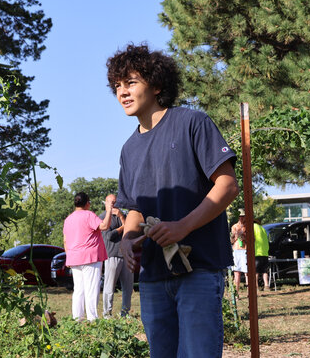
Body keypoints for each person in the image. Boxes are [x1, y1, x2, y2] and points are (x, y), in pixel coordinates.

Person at [109, 44, 239, 357]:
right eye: (117, 86)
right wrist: (128, 238)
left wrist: (182, 227)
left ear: (156, 85)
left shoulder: (193, 123)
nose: (122, 92)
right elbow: (135, 207)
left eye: (131, 83)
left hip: (199, 268)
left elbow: (228, 185)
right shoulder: (128, 149)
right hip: (153, 275)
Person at [62, 192, 112, 321]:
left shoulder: (68, 219)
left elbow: (66, 240)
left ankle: (77, 319)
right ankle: (92, 319)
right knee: (91, 289)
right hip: (90, 257)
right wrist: (109, 210)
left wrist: (68, 256)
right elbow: (105, 226)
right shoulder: (89, 215)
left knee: (78, 290)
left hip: (74, 258)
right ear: (87, 203)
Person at [99, 193, 133, 318]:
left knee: (128, 287)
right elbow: (109, 236)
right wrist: (122, 227)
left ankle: (125, 312)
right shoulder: (103, 217)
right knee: (109, 287)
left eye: (115, 202)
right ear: (106, 203)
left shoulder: (122, 216)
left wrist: (122, 218)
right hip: (112, 254)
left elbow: (130, 230)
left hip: (126, 255)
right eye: (111, 202)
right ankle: (107, 313)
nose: (114, 204)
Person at [230, 214, 248, 293]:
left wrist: (244, 237)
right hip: (236, 250)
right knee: (236, 273)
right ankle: (236, 294)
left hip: (245, 250)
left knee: (247, 272)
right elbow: (231, 241)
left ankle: (249, 293)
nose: (241, 218)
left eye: (243, 216)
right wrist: (235, 236)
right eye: (240, 216)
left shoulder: (247, 226)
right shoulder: (234, 227)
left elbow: (252, 240)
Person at [253, 218, 271, 291]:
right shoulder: (262, 229)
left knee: (255, 271)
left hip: (257, 252)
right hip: (265, 252)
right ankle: (266, 286)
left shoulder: (252, 227)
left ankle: (256, 287)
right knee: (264, 271)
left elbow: (252, 238)